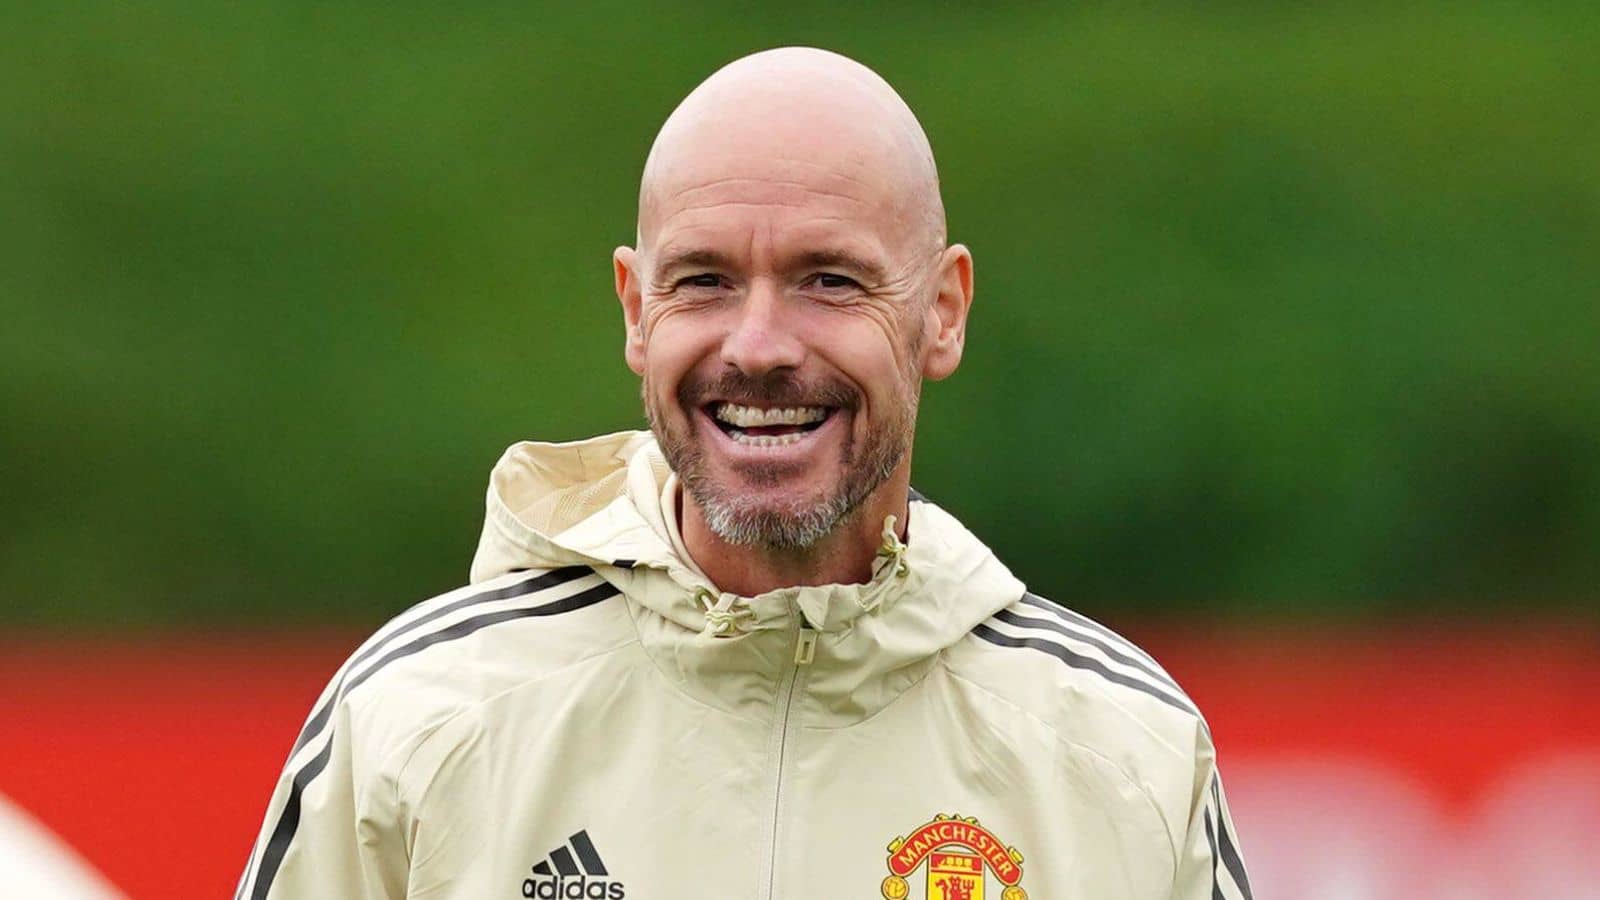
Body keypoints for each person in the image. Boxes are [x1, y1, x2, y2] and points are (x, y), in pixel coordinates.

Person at [237, 47, 1252, 900]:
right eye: (705, 281)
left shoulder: (1123, 755)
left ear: (941, 310)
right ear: (636, 310)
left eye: (828, 280)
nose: (758, 345)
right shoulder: (413, 722)